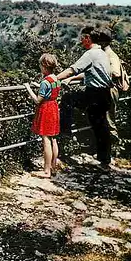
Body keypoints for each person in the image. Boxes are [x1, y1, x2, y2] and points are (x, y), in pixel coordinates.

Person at [56, 26, 113, 171]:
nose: (81, 41)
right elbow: (89, 72)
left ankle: (65, 131)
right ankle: (105, 161)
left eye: (82, 38)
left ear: (88, 38)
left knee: (68, 99)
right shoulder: (102, 53)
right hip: (104, 94)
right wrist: (72, 79)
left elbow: (72, 69)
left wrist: (53, 79)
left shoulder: (91, 54)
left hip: (95, 93)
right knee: (100, 126)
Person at [24, 53, 61, 178]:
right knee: (53, 139)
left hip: (46, 110)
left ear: (44, 66)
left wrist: (28, 88)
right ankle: (53, 167)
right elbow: (50, 90)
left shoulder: (45, 82)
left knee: (46, 140)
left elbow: (37, 100)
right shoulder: (55, 78)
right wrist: (38, 86)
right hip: (54, 107)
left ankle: (46, 171)